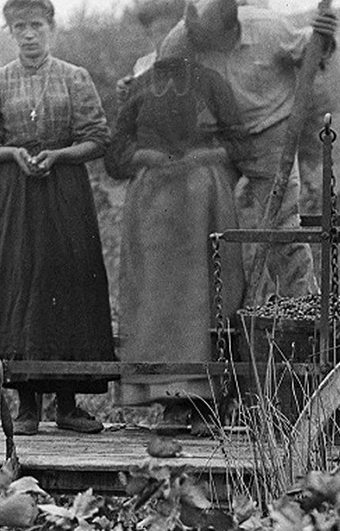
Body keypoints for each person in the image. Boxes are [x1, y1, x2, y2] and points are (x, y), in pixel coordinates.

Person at [0, 0, 117, 435]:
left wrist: (60, 155)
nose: (28, 35)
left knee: (69, 284)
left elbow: (98, 137)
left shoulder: (75, 78)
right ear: (10, 33)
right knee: (18, 288)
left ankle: (67, 405)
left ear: (51, 28)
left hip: (65, 194)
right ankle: (26, 406)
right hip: (14, 199)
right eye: (19, 28)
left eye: (36, 26)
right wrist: (10, 153)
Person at [105, 28, 251, 434]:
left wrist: (204, 157)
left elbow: (241, 145)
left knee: (207, 291)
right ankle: (171, 402)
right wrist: (145, 156)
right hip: (154, 206)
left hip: (204, 201)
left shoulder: (214, 85)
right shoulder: (138, 88)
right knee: (157, 297)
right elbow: (115, 157)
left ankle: (210, 400)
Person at [153, 0, 337, 298]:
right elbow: (162, 97)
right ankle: (210, 311)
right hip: (215, 139)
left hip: (271, 135)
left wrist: (326, 38)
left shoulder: (269, 28)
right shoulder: (179, 42)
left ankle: (302, 306)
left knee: (281, 228)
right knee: (197, 216)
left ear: (231, 29)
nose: (198, 44)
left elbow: (314, 51)